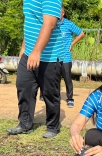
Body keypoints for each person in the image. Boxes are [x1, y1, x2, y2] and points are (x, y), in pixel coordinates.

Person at [7, 0, 64, 139]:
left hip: (49, 56)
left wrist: (36, 52)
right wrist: (24, 48)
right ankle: (25, 124)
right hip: (29, 53)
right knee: (23, 87)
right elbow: (31, 24)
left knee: (50, 93)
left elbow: (49, 24)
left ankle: (52, 126)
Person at [40, 5, 84, 107]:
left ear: (62, 13)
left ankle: (70, 98)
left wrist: (72, 44)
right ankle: (57, 98)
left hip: (65, 58)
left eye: (57, 12)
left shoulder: (69, 24)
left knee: (67, 78)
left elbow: (81, 33)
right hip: (54, 58)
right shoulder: (52, 24)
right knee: (55, 79)